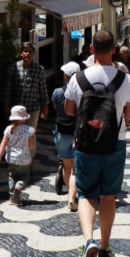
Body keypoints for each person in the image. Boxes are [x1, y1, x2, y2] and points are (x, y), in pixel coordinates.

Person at [64, 30, 130, 257]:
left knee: (85, 194)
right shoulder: (124, 79)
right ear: (114, 50)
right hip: (115, 142)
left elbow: (68, 111)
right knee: (108, 195)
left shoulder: (78, 78)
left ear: (92, 50)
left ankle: (89, 241)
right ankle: (105, 245)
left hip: (86, 143)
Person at [54, 61, 82, 212]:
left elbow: (55, 109)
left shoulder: (58, 92)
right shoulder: (81, 91)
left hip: (61, 133)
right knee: (75, 169)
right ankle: (72, 197)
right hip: (75, 134)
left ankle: (69, 197)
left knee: (66, 165)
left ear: (66, 76)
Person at [0, 105, 36, 205]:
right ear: (25, 118)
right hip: (25, 158)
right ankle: (19, 187)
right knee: (25, 176)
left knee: (12, 176)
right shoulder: (30, 130)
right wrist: (26, 151)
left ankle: (12, 195)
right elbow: (31, 145)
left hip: (11, 158)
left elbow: (3, 143)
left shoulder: (9, 129)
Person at [6, 41, 48, 135]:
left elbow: (43, 90)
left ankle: (30, 150)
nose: (27, 53)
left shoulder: (39, 69)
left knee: (30, 135)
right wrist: (6, 104)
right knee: (16, 135)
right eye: (25, 51)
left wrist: (45, 107)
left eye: (30, 51)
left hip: (33, 109)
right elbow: (8, 88)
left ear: (33, 54)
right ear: (21, 53)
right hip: (17, 109)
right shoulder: (14, 68)